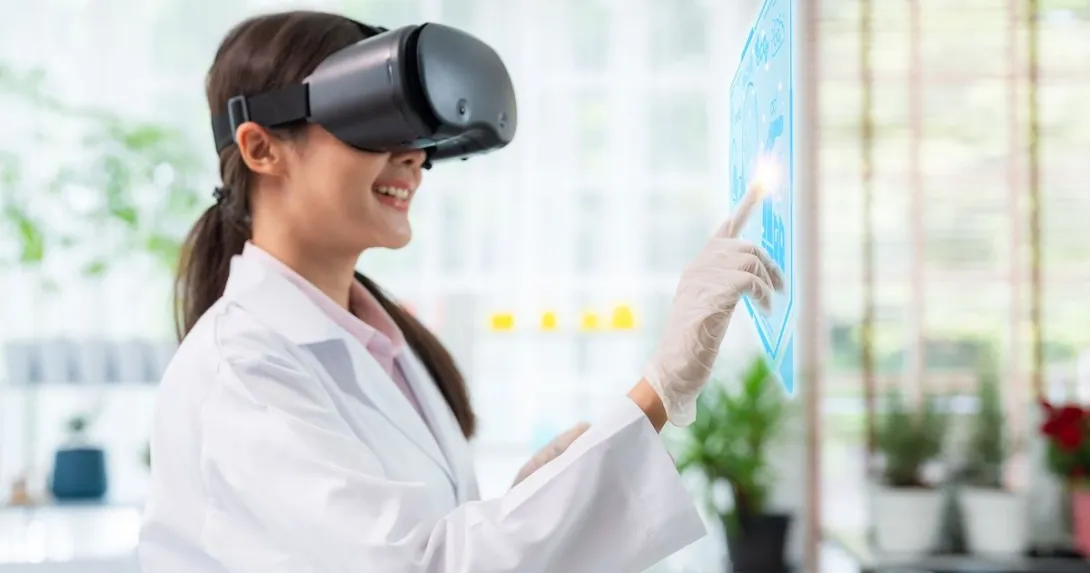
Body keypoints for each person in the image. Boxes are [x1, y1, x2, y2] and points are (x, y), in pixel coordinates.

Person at [138, 10, 784, 573]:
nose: (414, 155)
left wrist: (534, 497)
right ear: (261, 148)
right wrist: (660, 388)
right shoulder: (243, 367)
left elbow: (433, 544)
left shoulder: (380, 348)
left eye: (416, 134)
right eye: (369, 121)